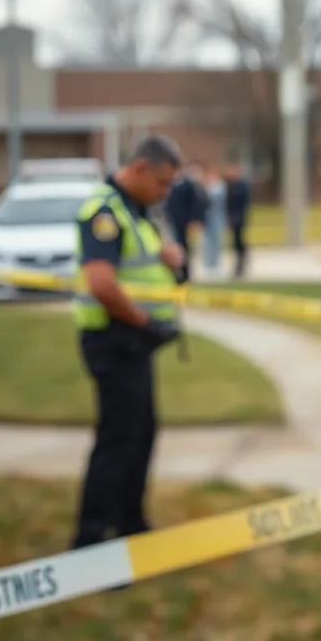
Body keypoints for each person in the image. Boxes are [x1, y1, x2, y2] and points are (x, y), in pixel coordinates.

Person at [71, 135, 186, 549]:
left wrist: (170, 261)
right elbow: (101, 283)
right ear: (138, 169)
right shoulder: (105, 211)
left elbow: (139, 268)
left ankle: (130, 524)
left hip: (134, 343)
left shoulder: (137, 210)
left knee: (141, 434)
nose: (165, 191)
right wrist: (145, 323)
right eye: (161, 182)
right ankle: (91, 541)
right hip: (114, 339)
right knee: (118, 441)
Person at [163, 161, 208, 284]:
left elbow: (197, 203)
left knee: (184, 248)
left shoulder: (188, 185)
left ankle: (185, 273)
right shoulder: (168, 184)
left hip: (184, 222)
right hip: (171, 221)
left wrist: (195, 219)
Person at [224, 163, 251, 278]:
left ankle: (241, 265)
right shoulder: (230, 185)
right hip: (233, 217)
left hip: (239, 217)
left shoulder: (241, 186)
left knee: (239, 242)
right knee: (235, 242)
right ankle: (238, 265)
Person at [201, 165, 226, 275]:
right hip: (207, 216)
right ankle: (207, 264)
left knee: (217, 241)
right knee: (206, 241)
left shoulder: (220, 186)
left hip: (217, 216)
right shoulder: (206, 185)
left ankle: (215, 264)